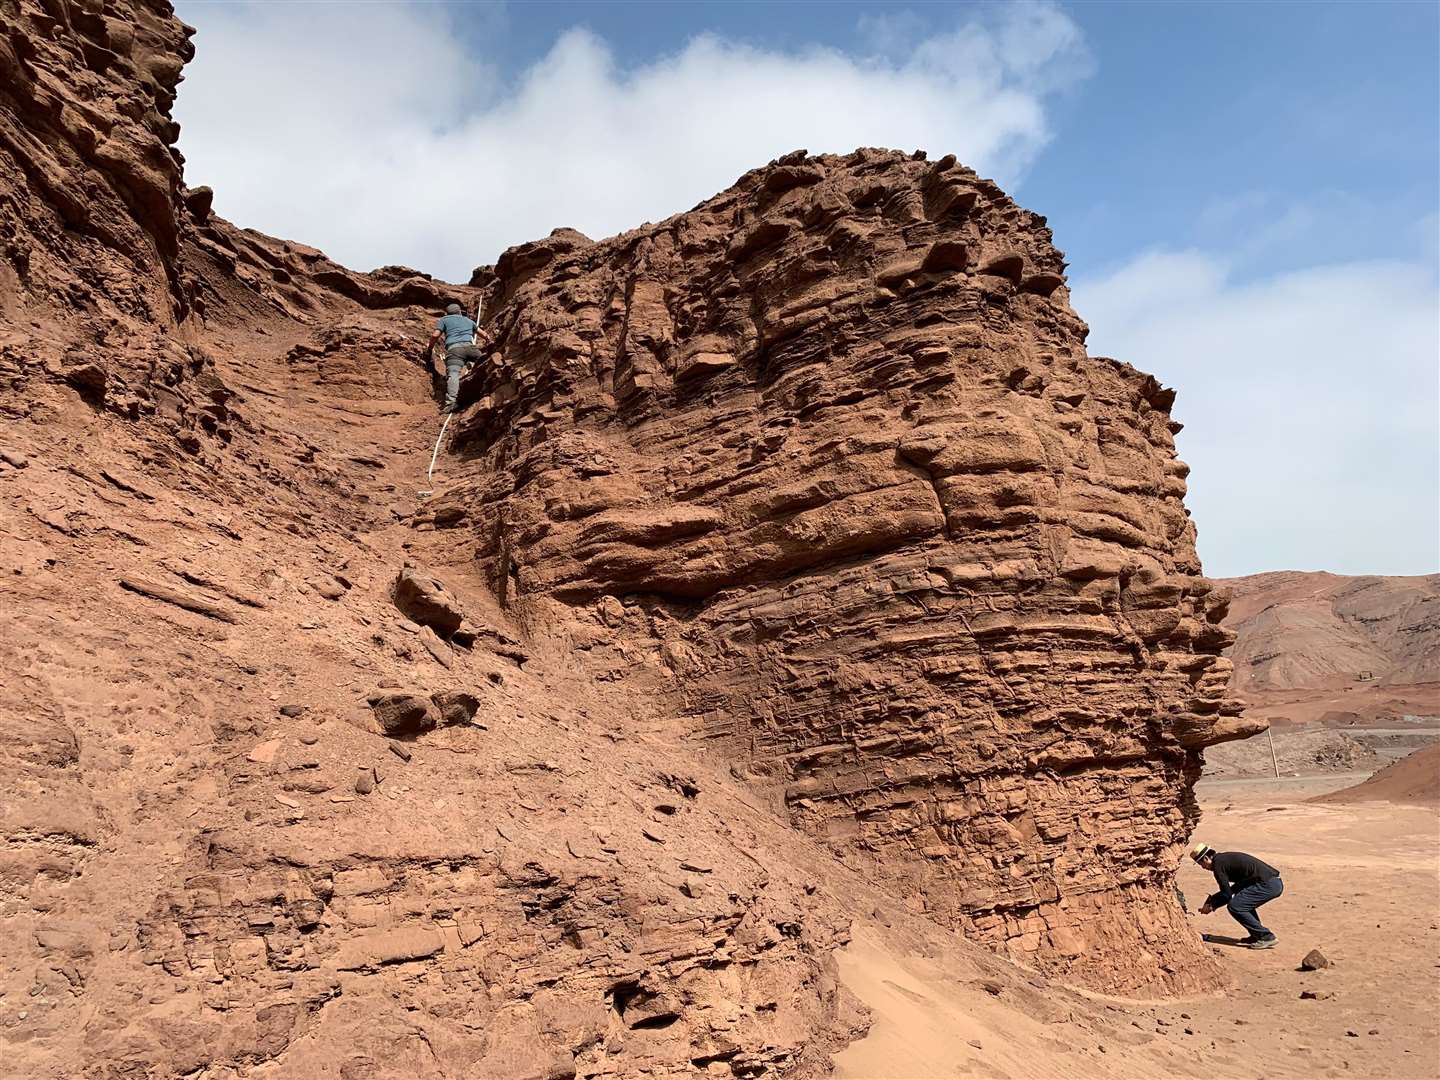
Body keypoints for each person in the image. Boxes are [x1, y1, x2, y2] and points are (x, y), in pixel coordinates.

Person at [1189, 842, 1283, 948]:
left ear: (1206, 858)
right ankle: (1256, 935)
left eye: (1201, 864)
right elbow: (1234, 888)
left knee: (1235, 906)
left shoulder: (1218, 865)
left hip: (1268, 884)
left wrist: (1212, 906)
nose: (1203, 867)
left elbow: (1227, 894)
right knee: (1241, 901)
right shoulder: (1223, 860)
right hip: (1272, 882)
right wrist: (1211, 902)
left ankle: (1266, 936)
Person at [428, 303, 484, 412]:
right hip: (471, 348)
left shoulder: (444, 320)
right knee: (483, 362)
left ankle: (451, 403)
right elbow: (484, 335)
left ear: (447, 313)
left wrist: (430, 348)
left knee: (453, 374)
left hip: (454, 350)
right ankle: (473, 367)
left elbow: (435, 335)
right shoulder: (468, 320)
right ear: (459, 312)